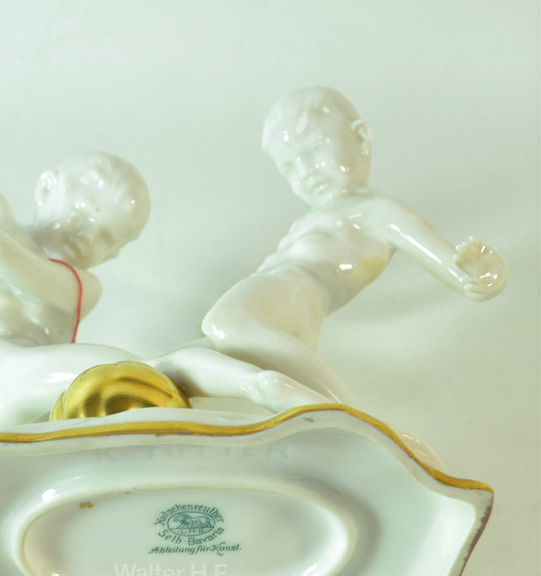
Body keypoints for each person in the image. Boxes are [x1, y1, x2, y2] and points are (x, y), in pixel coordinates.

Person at [0, 13, 326, 427]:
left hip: (33, 385)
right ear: (47, 186)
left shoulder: (81, 287)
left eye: (106, 235)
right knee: (147, 371)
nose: (87, 231)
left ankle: (268, 390)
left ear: (115, 254)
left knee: (153, 372)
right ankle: (263, 392)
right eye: (83, 208)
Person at [202, 87, 508, 402]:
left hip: (293, 290)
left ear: (360, 137)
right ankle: (272, 390)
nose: (305, 172)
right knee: (186, 358)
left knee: (223, 323)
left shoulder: (377, 211)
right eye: (289, 167)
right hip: (291, 313)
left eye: (313, 150)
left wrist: (484, 276)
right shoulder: (306, 222)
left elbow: (453, 266)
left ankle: (337, 407)